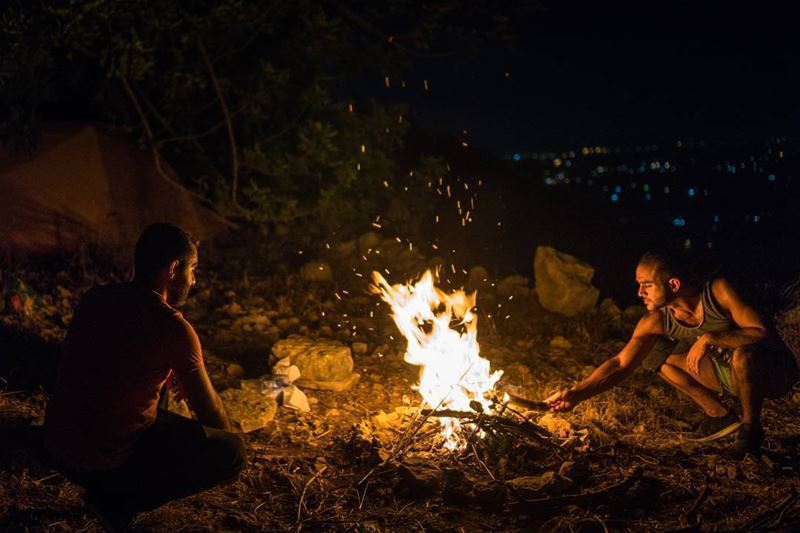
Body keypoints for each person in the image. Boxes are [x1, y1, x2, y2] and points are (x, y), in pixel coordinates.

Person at [44, 223, 246, 531]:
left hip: (58, 445)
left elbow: (108, 364)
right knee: (231, 452)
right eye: (192, 269)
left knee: (158, 392)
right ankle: (117, 501)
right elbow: (216, 420)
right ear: (174, 269)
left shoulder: (96, 298)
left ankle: (113, 483)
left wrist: (166, 373)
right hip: (103, 460)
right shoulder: (173, 327)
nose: (194, 279)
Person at [545, 249, 798, 459]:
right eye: (639, 286)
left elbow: (762, 333)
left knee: (744, 356)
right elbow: (619, 363)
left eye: (647, 286)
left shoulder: (718, 292)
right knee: (655, 353)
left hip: (773, 372)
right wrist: (577, 393)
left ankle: (750, 430)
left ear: (673, 284)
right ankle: (719, 416)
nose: (639, 293)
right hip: (727, 375)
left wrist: (711, 338)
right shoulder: (656, 320)